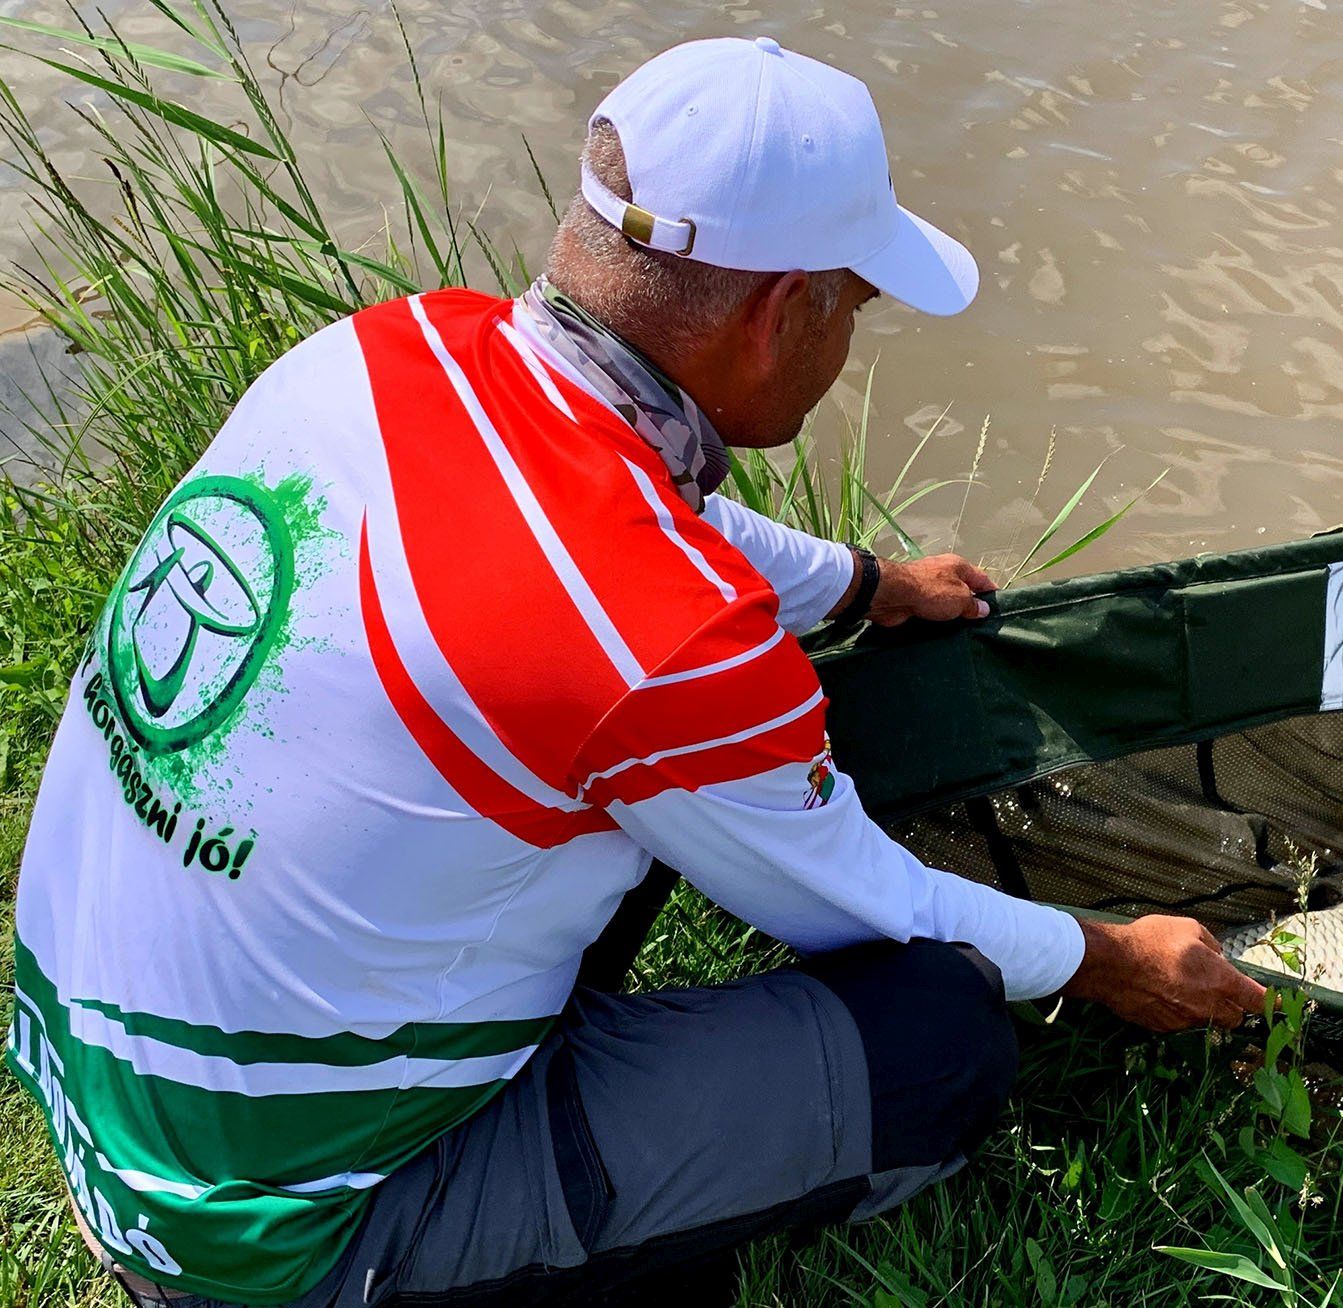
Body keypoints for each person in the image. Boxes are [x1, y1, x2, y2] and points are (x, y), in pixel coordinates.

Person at [6, 36, 1267, 1307]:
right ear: (786, 311)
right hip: (260, 1239)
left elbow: (641, 514)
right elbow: (872, 902)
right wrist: (1111, 955)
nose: (849, 340)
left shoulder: (400, 350)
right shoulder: (667, 646)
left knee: (629, 777)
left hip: (94, 1078)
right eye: (856, 304)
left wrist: (863, 584)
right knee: (939, 1036)